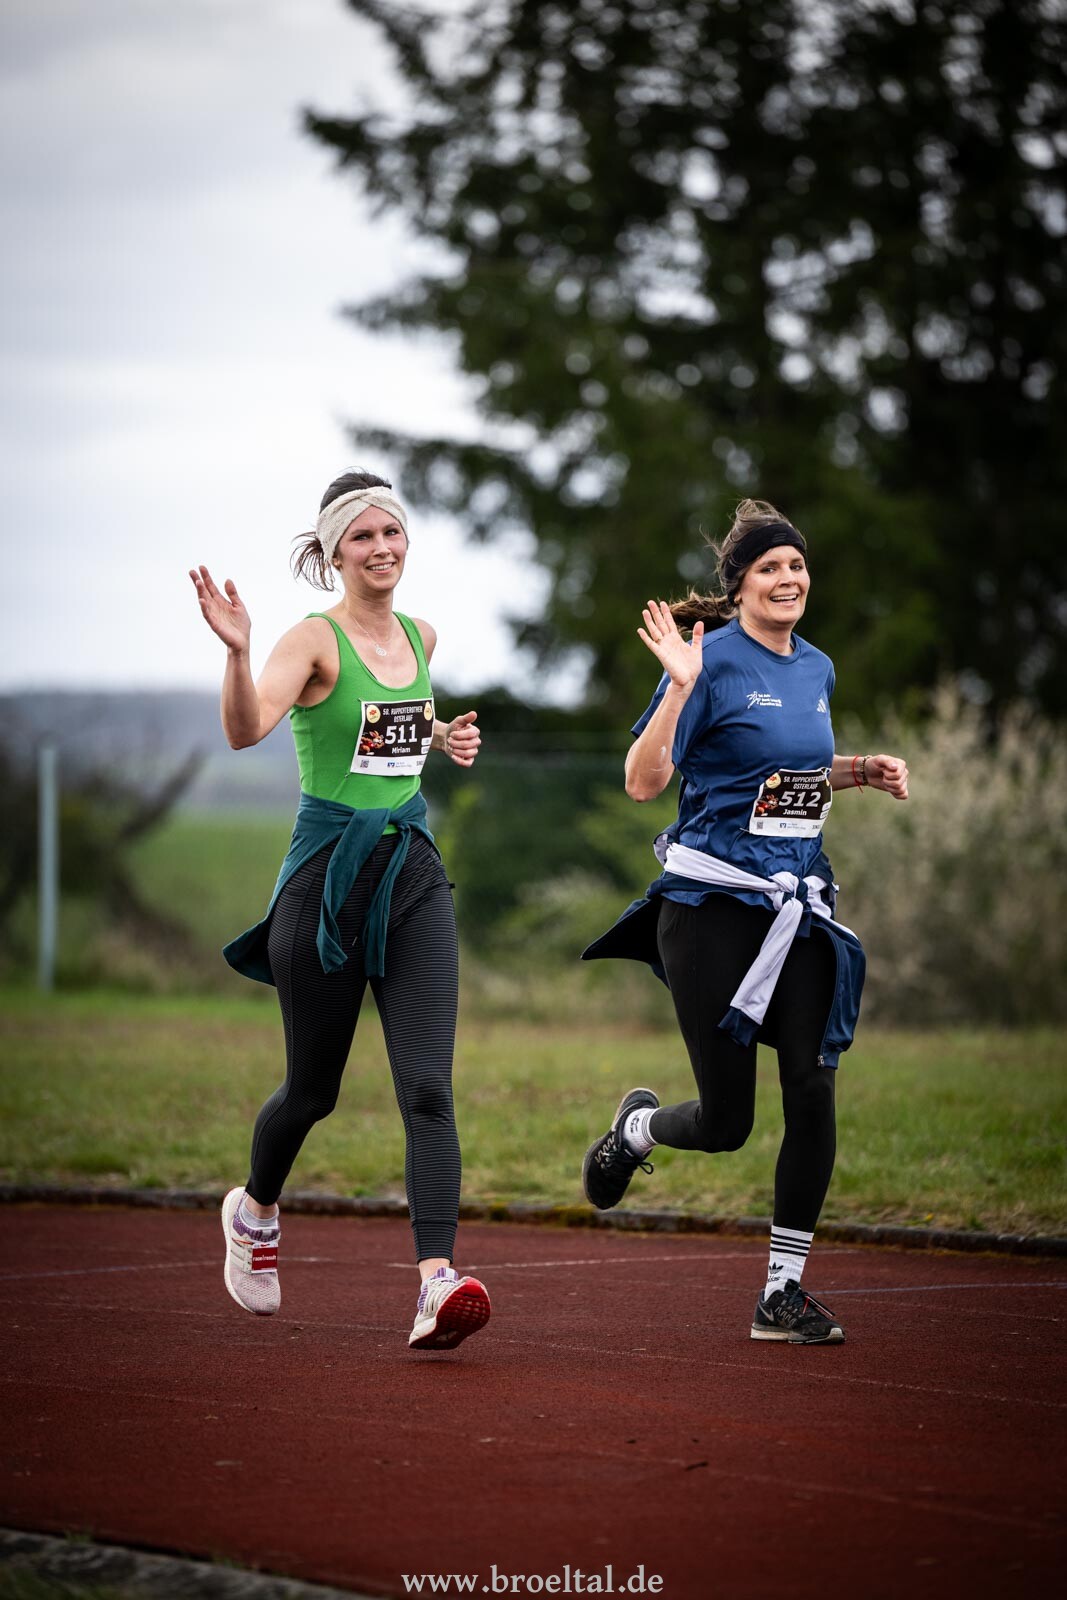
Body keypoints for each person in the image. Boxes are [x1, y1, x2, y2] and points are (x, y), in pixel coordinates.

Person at [580, 498, 908, 1345]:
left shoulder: (817, 668)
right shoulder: (707, 661)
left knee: (813, 1085)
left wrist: (856, 770)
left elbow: (780, 772)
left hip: (795, 911)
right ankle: (636, 1131)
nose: (787, 578)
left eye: (795, 564)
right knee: (728, 1125)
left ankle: (781, 1294)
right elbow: (643, 782)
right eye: (769, 567)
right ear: (739, 586)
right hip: (710, 912)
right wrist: (678, 689)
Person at [190, 469, 490, 1351]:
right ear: (332, 554)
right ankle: (254, 1211)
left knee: (427, 1088)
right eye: (361, 536)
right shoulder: (310, 640)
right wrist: (238, 652)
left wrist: (441, 733)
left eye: (390, 531)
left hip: (412, 875)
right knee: (311, 1093)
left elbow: (387, 726)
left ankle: (436, 1283)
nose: (381, 548)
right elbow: (245, 729)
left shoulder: (421, 635)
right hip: (325, 881)